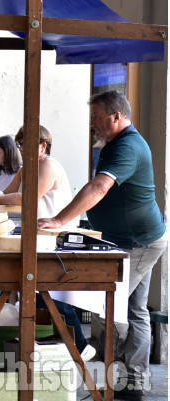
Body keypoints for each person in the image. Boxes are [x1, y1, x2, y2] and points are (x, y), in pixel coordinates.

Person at [38, 91, 167, 400]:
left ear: (117, 117)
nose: (92, 123)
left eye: (97, 117)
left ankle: (123, 377)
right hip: (127, 240)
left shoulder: (129, 146)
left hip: (139, 241)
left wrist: (58, 220)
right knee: (133, 310)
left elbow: (99, 186)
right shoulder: (113, 144)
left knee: (110, 309)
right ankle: (131, 382)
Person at [0, 126, 91, 360]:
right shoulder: (25, 169)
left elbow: (25, 198)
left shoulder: (49, 166)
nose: (21, 149)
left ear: (42, 146)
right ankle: (57, 346)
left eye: (25, 144)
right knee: (40, 294)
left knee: (50, 295)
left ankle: (79, 346)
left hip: (55, 240)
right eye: (20, 144)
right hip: (38, 239)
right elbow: (5, 198)